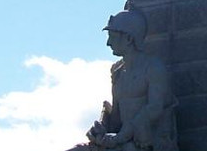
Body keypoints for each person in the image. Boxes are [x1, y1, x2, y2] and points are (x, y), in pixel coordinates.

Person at [71, 9, 177, 151]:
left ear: (128, 39)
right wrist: (101, 129)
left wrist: (122, 136)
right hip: (122, 141)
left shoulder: (153, 68)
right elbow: (116, 118)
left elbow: (155, 108)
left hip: (148, 143)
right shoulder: (117, 71)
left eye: (112, 36)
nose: (108, 43)